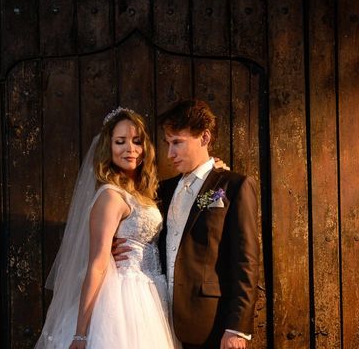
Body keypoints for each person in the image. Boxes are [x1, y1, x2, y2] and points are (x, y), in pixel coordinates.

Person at [116, 99, 260, 349]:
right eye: (168, 143)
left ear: (204, 138)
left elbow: (245, 261)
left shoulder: (233, 186)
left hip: (209, 322)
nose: (170, 153)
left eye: (177, 143)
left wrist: (237, 328)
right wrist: (113, 248)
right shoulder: (162, 190)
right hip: (157, 319)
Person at [35, 107, 177, 349]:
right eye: (120, 142)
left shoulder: (143, 192)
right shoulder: (110, 196)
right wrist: (81, 333)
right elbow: (97, 264)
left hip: (152, 291)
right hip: (122, 298)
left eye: (136, 141)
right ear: (108, 147)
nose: (130, 149)